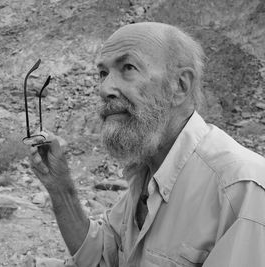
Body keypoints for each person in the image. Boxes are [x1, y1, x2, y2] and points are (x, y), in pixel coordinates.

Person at [29, 22, 265, 267]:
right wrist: (61, 188)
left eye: (128, 67)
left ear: (179, 86)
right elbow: (101, 258)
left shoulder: (240, 190)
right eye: (103, 73)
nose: (105, 88)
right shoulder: (147, 171)